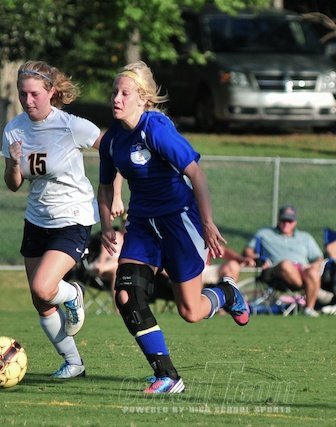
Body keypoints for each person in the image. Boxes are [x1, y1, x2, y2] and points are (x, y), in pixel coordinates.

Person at [97, 61, 249, 394]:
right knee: (126, 294)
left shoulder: (155, 129)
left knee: (190, 311)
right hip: (142, 225)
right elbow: (105, 186)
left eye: (125, 93)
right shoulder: (112, 140)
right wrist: (106, 224)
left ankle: (227, 293)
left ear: (143, 98)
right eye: (114, 92)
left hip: (179, 222)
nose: (117, 99)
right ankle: (167, 375)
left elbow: (196, 173)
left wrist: (207, 223)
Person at [3, 60, 101, 379]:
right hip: (37, 219)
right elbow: (13, 184)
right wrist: (14, 163)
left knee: (44, 287)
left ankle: (72, 294)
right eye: (23, 94)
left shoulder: (71, 126)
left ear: (51, 92)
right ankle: (73, 362)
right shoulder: (14, 129)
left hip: (72, 217)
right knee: (40, 299)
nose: (28, 100)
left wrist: (113, 191)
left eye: (34, 94)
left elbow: (112, 149)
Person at [243, 205, 325, 317]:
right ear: (278, 220)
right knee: (285, 264)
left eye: (289, 221)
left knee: (313, 272)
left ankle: (309, 309)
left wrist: (314, 265)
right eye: (283, 220)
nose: (286, 224)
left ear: (295, 222)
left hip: (301, 270)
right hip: (274, 272)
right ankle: (308, 287)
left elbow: (319, 258)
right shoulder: (264, 233)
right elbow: (248, 250)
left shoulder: (306, 237)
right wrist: (258, 260)